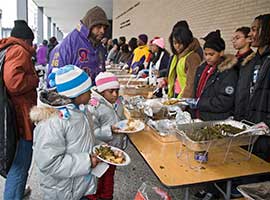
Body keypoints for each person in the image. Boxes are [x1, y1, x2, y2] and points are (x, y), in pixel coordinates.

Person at [30, 65, 99, 200]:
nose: (92, 93)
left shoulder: (81, 111)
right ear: (76, 94)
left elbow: (83, 139)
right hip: (62, 192)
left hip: (78, 186)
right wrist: (87, 161)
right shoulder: (53, 123)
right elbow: (49, 163)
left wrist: (100, 149)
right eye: (88, 90)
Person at [0, 20, 39, 200]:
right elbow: (14, 82)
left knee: (16, 161)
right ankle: (14, 194)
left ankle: (17, 191)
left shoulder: (7, 48)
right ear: (28, 40)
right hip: (19, 118)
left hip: (10, 115)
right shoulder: (20, 50)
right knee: (20, 163)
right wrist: (34, 78)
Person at [235, 14, 270, 161]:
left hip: (265, 135)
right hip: (249, 127)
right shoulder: (252, 61)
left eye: (255, 30)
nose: (250, 34)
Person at [87, 72, 127, 200]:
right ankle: (95, 196)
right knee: (98, 177)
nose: (115, 94)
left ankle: (107, 196)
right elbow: (92, 132)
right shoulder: (94, 107)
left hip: (115, 148)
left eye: (117, 90)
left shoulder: (118, 101)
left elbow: (122, 119)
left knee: (109, 177)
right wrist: (109, 130)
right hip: (101, 150)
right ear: (102, 91)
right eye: (111, 91)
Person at [48, 6, 110, 82]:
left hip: (94, 92)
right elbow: (54, 81)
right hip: (74, 93)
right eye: (99, 27)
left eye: (104, 28)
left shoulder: (98, 46)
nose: (102, 31)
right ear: (90, 25)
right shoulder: (68, 44)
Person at [189, 30, 238, 121]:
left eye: (211, 54)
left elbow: (224, 101)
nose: (207, 57)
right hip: (199, 115)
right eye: (206, 54)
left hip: (215, 119)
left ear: (221, 53)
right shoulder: (202, 69)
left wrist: (200, 103)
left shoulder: (228, 72)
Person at [162, 26, 202, 98]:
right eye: (174, 43)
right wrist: (166, 81)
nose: (177, 46)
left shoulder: (192, 57)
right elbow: (176, 75)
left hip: (184, 97)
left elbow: (191, 83)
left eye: (180, 43)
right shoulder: (176, 56)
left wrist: (182, 100)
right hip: (175, 93)